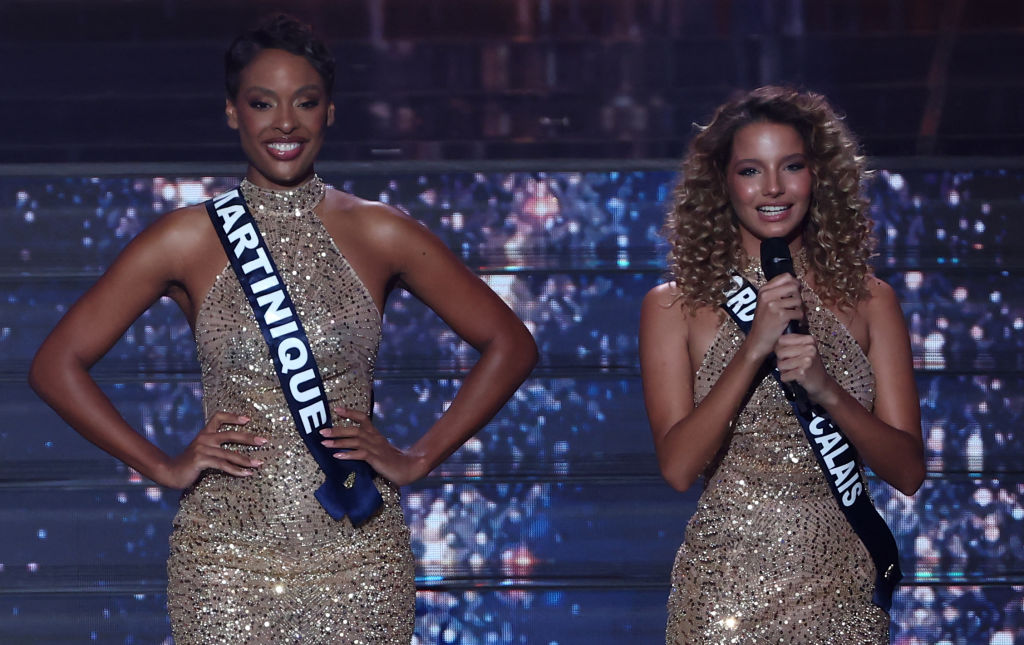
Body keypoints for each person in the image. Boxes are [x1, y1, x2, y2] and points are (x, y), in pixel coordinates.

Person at [29, 14, 537, 644]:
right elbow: (56, 365)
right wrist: (161, 465)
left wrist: (418, 457)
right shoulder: (186, 238)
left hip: (358, 554)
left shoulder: (381, 231)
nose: (286, 123)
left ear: (330, 112)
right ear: (232, 113)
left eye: (306, 102)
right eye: (262, 103)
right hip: (223, 564)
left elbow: (510, 344)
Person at [639, 86, 924, 643]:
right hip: (723, 591)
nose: (773, 188)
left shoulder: (872, 300)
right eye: (751, 170)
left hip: (844, 589)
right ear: (722, 183)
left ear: (818, 176)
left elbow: (909, 472)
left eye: (791, 166)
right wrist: (752, 349)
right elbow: (677, 468)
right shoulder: (676, 305)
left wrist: (827, 391)